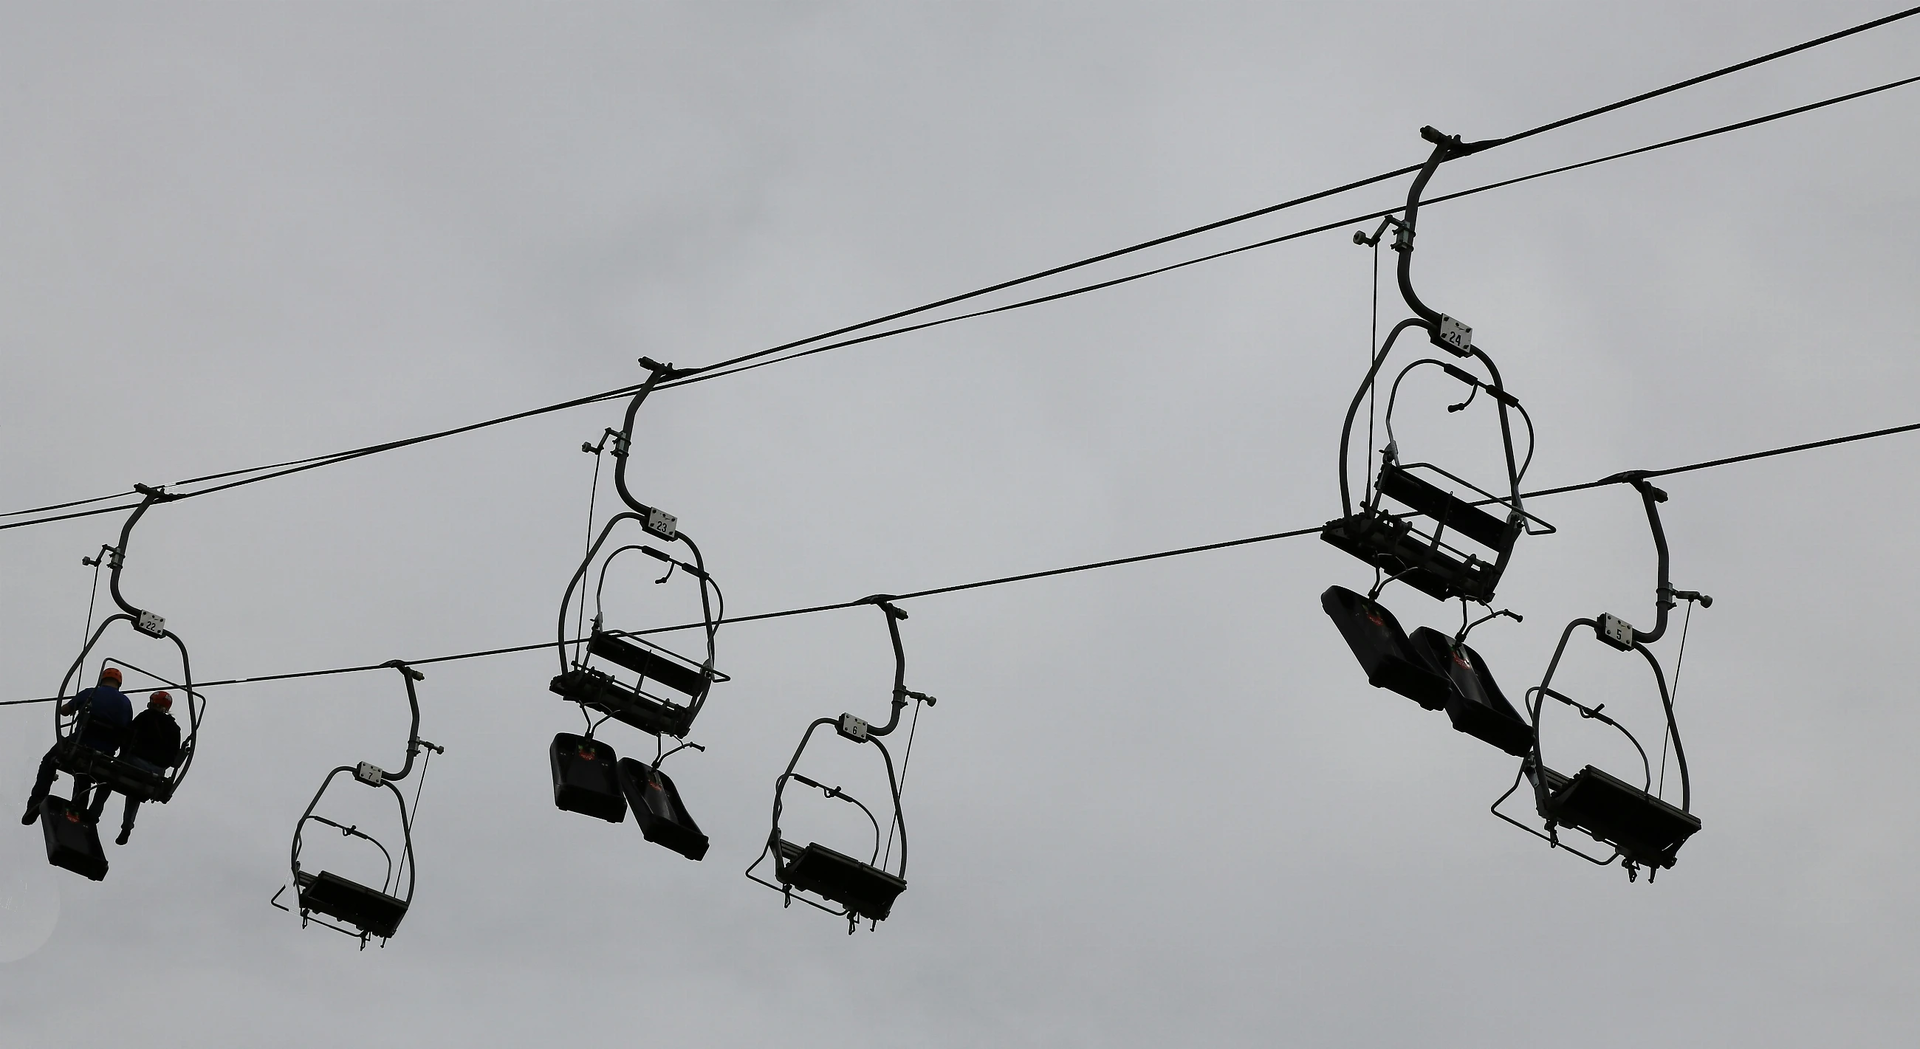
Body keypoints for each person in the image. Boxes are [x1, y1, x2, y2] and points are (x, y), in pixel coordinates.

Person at [22, 666, 133, 825]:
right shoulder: (126, 704)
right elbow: (127, 730)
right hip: (105, 753)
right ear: (119, 684)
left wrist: (69, 705)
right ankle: (78, 810)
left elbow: (65, 711)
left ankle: (35, 802)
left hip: (80, 744)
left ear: (101, 679)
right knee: (84, 776)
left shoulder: (91, 692)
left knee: (48, 761)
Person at [94, 690, 182, 845]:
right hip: (156, 771)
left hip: (134, 761)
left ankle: (95, 810)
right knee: (136, 791)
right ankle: (127, 826)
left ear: (153, 703)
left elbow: (128, 735)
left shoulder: (145, 717)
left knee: (109, 775)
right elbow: (173, 757)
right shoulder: (175, 729)